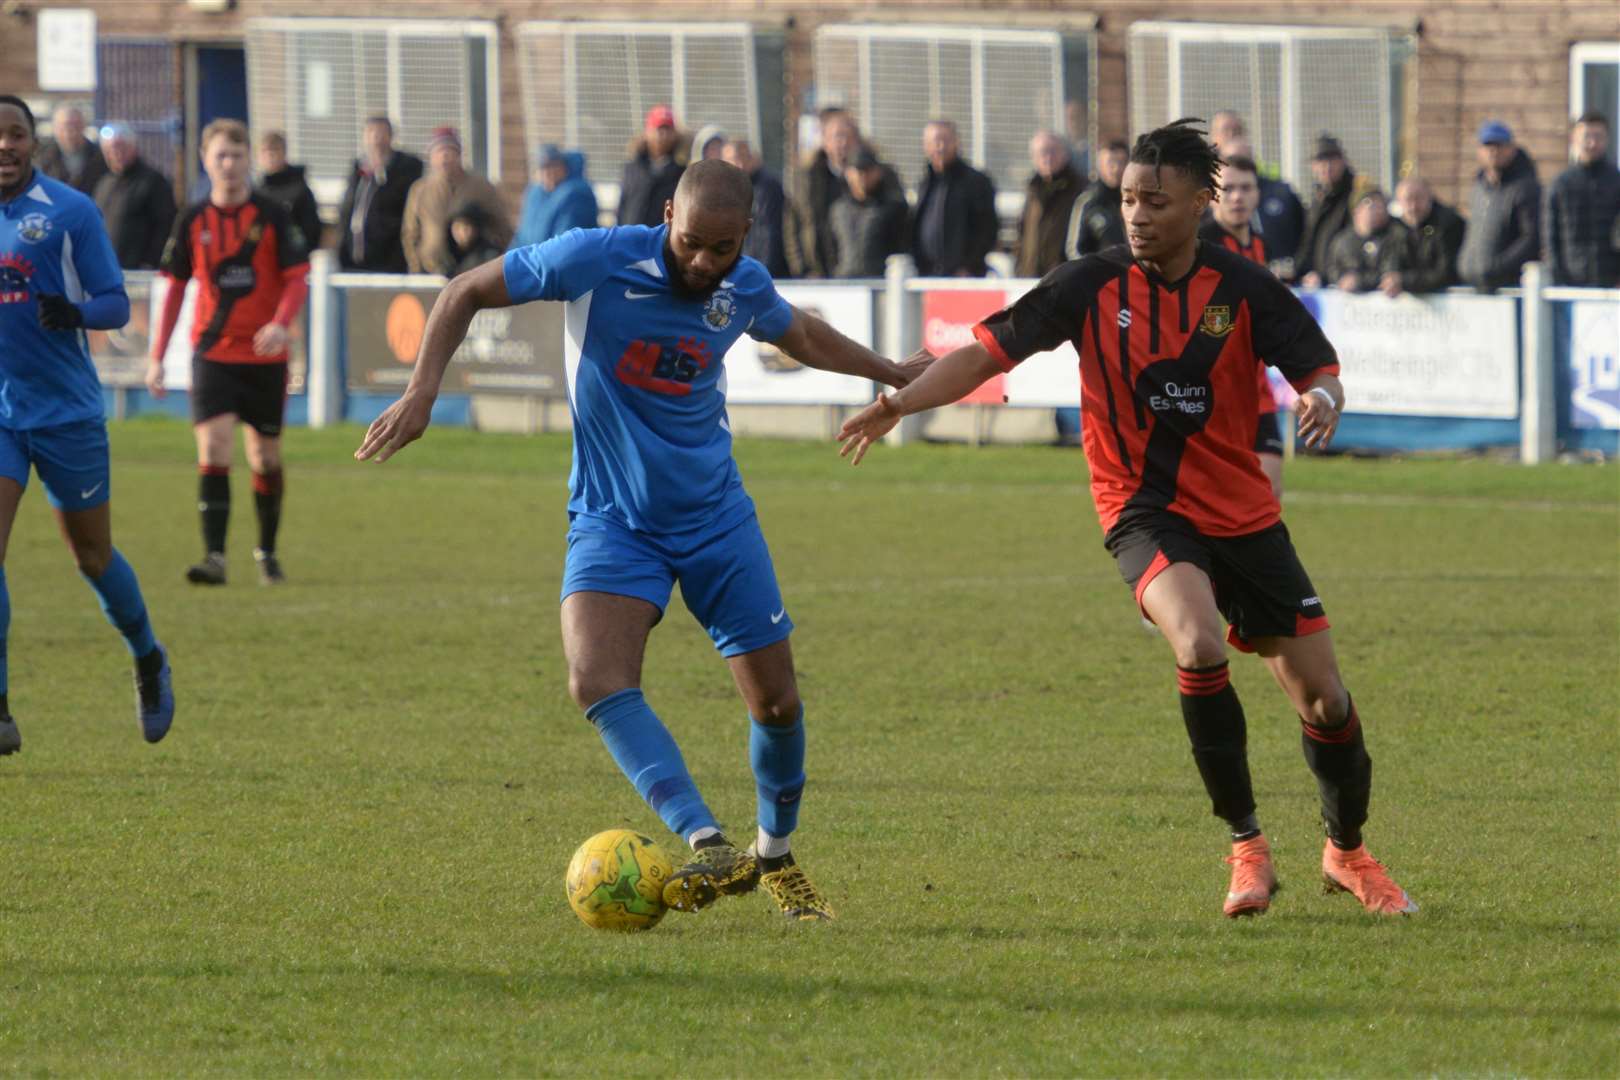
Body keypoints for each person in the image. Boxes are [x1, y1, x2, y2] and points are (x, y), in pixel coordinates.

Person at [838, 119, 1417, 920]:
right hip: (1144, 511)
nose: (1137, 215)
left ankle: (1347, 851)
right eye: (1127, 199)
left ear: (1200, 205)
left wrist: (1321, 397)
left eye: (1155, 201)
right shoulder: (1089, 284)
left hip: (1244, 515)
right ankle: (1247, 847)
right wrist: (900, 400)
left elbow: (1317, 367)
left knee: (1325, 702)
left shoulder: (1244, 287)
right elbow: (986, 353)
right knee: (1197, 639)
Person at [355, 160, 932, 922]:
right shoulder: (595, 258)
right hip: (612, 520)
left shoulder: (742, 285)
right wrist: (423, 390)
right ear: (667, 214)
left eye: (720, 250)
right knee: (595, 678)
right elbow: (465, 290)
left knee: (778, 704)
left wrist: (887, 374)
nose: (702, 263)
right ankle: (707, 839)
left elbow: (800, 332)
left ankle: (776, 858)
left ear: (743, 240)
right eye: (690, 243)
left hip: (716, 520)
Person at [0, 95, 174, 755]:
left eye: (15, 134)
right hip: (1, 413)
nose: (4, 146)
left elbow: (114, 304)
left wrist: (71, 314)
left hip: (66, 411)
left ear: (32, 142)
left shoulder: (70, 212)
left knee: (92, 556)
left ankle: (148, 656)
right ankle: (1, 709)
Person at [148, 119, 310, 588]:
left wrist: (281, 325)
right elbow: (175, 289)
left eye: (237, 156)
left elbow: (297, 277)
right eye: (221, 155)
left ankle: (267, 553)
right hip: (213, 353)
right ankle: (215, 557)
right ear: (206, 159)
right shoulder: (192, 219)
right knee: (214, 446)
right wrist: (157, 355)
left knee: (264, 457)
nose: (230, 164)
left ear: (249, 161)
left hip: (264, 358)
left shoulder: (274, 215)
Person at [1199, 154, 1285, 498]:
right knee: (1217, 499)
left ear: (1257, 194)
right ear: (1213, 194)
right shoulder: (1198, 245)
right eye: (1228, 188)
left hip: (1256, 388)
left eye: (1245, 188)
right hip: (1211, 393)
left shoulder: (1261, 244)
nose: (1237, 196)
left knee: (1269, 491)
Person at [402, 127, 511, 276]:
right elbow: (410, 232)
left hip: (473, 271)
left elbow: (502, 228)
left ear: (459, 154)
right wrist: (415, 265)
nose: (445, 157)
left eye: (450, 151)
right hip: (431, 270)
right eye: (439, 152)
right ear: (431, 157)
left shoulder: (482, 187)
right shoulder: (420, 190)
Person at [1457, 121, 1541, 293]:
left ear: (1512, 149)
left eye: (1500, 145)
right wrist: (1465, 263)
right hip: (1475, 283)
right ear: (1479, 151)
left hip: (1509, 287)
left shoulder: (1525, 188)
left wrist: (1498, 266)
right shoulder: (1478, 188)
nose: (1493, 151)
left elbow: (1531, 237)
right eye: (1488, 146)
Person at [336, 116, 424, 273]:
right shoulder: (358, 170)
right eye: (370, 132)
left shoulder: (406, 169)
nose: (376, 138)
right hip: (354, 257)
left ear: (391, 137)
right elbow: (348, 209)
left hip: (390, 259)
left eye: (381, 132)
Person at [911, 119, 997, 277]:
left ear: (957, 142)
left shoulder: (976, 182)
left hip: (964, 277)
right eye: (935, 142)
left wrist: (969, 266)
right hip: (927, 275)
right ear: (925, 146)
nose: (940, 147)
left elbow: (987, 229)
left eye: (946, 140)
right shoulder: (925, 183)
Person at [1544, 111, 1620, 287]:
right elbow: (1551, 236)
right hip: (1570, 282)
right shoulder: (1561, 184)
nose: (1592, 143)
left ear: (1607, 139)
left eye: (1598, 137)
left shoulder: (1616, 181)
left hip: (1610, 282)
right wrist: (1558, 278)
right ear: (1574, 139)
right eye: (1586, 136)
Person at [1215, 132, 1304, 277]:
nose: (1237, 196)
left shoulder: (1282, 193)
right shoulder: (1200, 233)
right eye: (1232, 161)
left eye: (1244, 162)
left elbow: (1304, 236)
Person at [92, 122, 177, 270]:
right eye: (110, 149)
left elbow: (165, 226)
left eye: (121, 147)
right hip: (107, 269)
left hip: (139, 271)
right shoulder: (104, 183)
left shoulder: (153, 182)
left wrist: (151, 261)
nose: (116, 153)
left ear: (134, 148)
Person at [1014, 130, 1087, 278]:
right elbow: (1022, 233)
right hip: (1030, 277)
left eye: (1053, 151)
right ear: (1034, 157)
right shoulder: (1032, 190)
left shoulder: (1079, 190)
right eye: (1042, 152)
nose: (1048, 157)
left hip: (1064, 279)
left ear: (1065, 154)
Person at [829, 147, 910, 278]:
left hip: (879, 285)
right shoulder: (838, 210)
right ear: (848, 174)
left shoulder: (893, 208)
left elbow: (901, 247)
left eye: (868, 171)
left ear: (878, 172)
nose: (862, 177)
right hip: (844, 285)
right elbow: (831, 249)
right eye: (858, 171)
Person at [1323, 187, 1412, 298]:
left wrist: (1360, 281)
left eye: (1382, 206)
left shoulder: (1395, 235)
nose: (1378, 210)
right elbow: (1331, 267)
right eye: (1371, 205)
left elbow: (1389, 271)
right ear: (1356, 210)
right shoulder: (1342, 240)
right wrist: (1342, 279)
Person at [720, 138, 789, 279]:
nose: (739, 164)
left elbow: (769, 235)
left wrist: (761, 274)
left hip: (764, 273)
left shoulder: (768, 188)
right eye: (733, 159)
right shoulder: (723, 192)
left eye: (744, 158)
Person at [512, 144, 598, 250]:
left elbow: (565, 244)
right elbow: (521, 236)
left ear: (564, 168)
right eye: (543, 167)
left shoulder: (575, 194)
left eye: (553, 166)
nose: (548, 173)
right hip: (532, 261)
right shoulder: (535, 194)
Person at [1296, 135, 1356, 287]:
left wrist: (1325, 277)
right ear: (1313, 166)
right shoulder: (1317, 198)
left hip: (1344, 283)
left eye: (1333, 160)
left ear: (1343, 162)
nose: (1327, 167)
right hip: (1316, 283)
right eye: (1321, 161)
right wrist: (1298, 272)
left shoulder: (1355, 195)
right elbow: (1309, 242)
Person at [1392, 176, 1465, 294]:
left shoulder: (1448, 225)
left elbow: (1446, 273)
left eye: (1419, 198)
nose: (1413, 206)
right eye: (1408, 200)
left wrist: (1405, 281)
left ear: (1430, 197)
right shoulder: (1397, 228)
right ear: (1399, 202)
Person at [255, 130, 323, 256]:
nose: (270, 156)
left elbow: (312, 231)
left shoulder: (300, 191)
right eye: (265, 151)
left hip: (292, 259)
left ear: (284, 154)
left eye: (275, 150)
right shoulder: (256, 192)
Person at [617, 105, 686, 228]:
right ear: (648, 132)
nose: (663, 135)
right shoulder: (633, 168)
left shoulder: (681, 172)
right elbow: (623, 206)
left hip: (661, 242)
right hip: (631, 238)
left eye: (668, 129)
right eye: (659, 129)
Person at [1066, 138, 1128, 258]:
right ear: (1100, 165)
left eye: (1121, 162)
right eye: (1111, 163)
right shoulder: (1088, 202)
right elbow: (1075, 250)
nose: (1116, 169)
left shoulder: (1137, 199)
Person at [34, 105, 106, 196]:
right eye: (66, 126)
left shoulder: (101, 157)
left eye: (76, 125)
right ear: (55, 128)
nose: (71, 131)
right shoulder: (40, 158)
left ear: (84, 126)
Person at [447, 201, 505, 277]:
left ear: (477, 228)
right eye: (457, 227)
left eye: (466, 227)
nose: (461, 233)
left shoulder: (489, 256)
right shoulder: (447, 256)